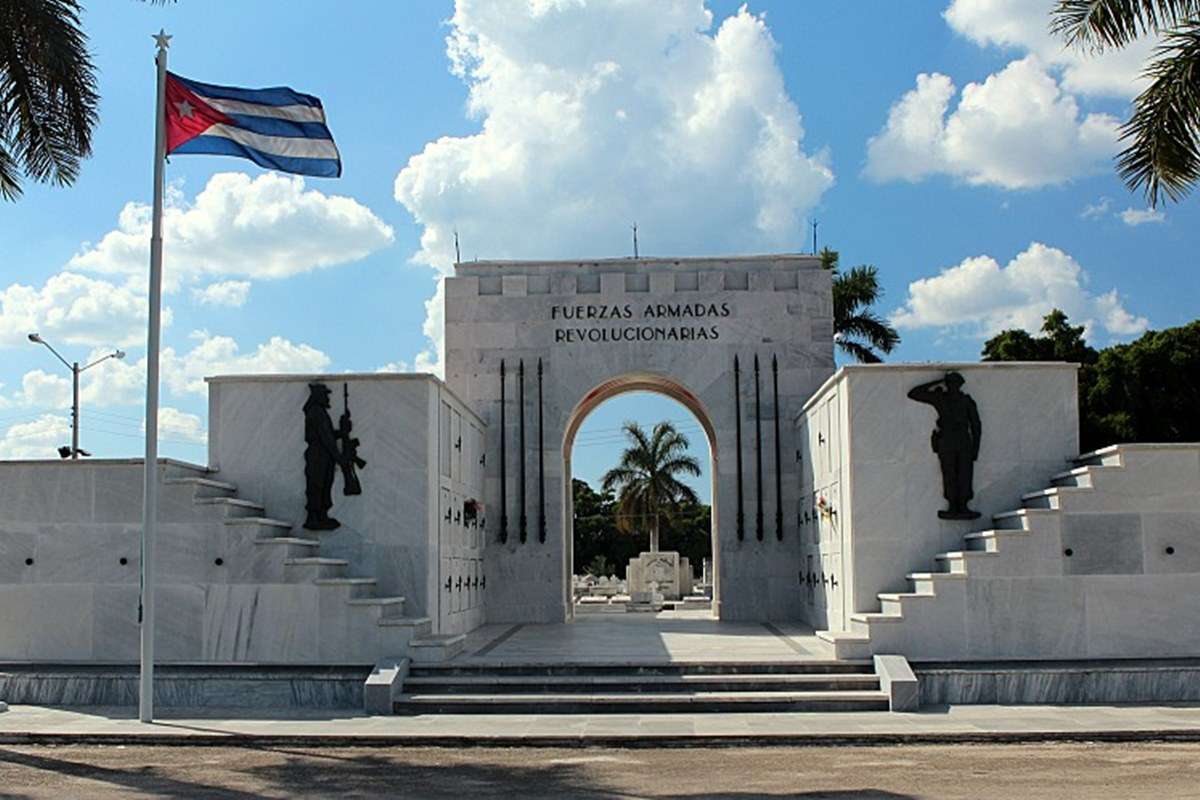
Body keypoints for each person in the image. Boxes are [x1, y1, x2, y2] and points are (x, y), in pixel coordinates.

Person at [907, 372, 982, 520]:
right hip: (946, 439)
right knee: (948, 473)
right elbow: (914, 394)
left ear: (960, 384)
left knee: (965, 473)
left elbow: (976, 425)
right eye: (948, 383)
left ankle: (964, 506)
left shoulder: (966, 401)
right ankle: (952, 506)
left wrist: (976, 448)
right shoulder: (941, 398)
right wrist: (936, 381)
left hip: (963, 439)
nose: (951, 386)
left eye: (954, 383)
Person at [303, 383, 345, 530]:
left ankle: (322, 515)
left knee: (325, 485)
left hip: (324, 454)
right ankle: (314, 517)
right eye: (325, 395)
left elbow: (329, 435)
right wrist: (339, 458)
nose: (328, 398)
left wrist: (342, 431)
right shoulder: (316, 412)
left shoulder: (320, 412)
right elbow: (326, 437)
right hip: (317, 454)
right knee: (317, 485)